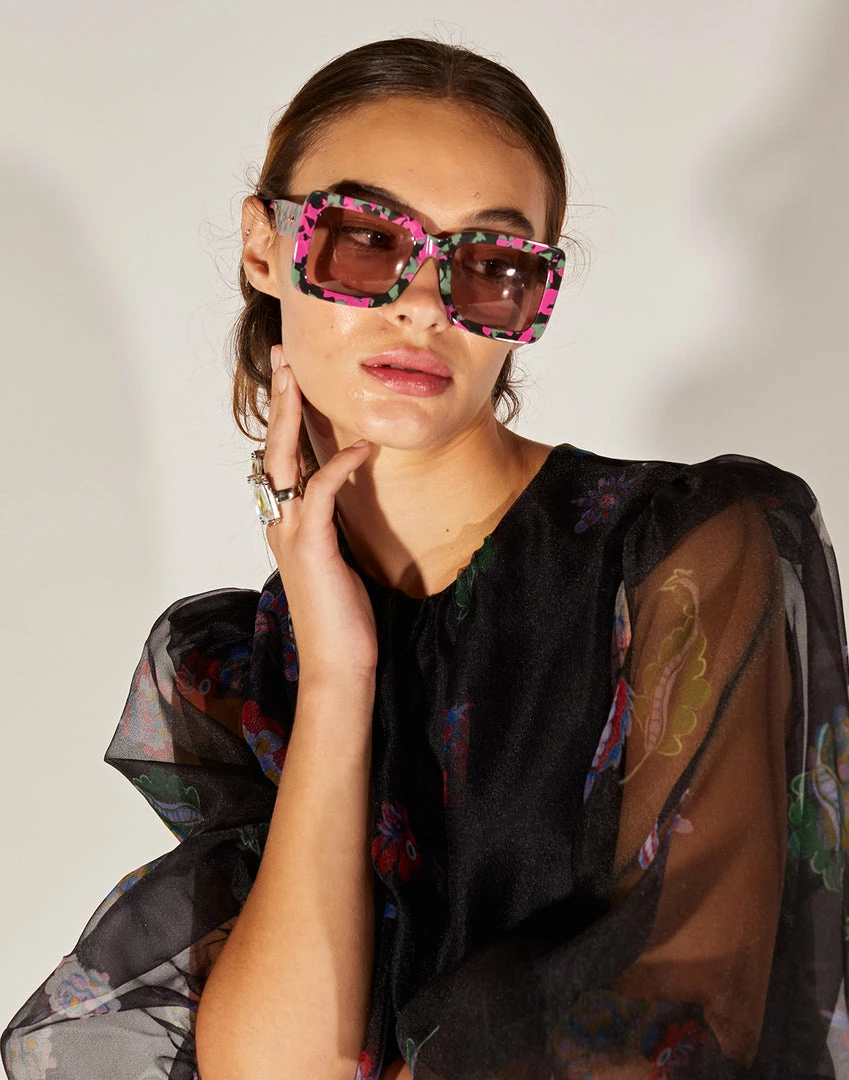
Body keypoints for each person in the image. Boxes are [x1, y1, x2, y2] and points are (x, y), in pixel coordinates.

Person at [3, 35, 848, 1080]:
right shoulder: (255, 657)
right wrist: (339, 674)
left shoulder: (687, 554)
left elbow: (689, 1009)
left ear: (531, 300)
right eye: (364, 241)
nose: (423, 305)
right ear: (265, 248)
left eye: (489, 266)